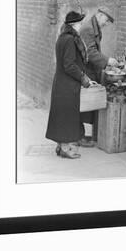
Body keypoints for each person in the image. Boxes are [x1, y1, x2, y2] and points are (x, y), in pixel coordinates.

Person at [45, 11, 94, 159]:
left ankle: (61, 146)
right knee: (67, 116)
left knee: (62, 115)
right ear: (74, 25)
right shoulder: (70, 40)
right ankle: (66, 148)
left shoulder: (63, 38)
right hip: (67, 85)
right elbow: (69, 65)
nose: (81, 26)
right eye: (79, 23)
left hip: (62, 83)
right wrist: (84, 78)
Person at [79, 7, 117, 147]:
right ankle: (79, 136)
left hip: (90, 69)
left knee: (88, 104)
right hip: (85, 69)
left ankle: (85, 135)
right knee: (84, 103)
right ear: (100, 15)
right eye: (106, 20)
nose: (106, 24)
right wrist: (107, 61)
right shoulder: (88, 29)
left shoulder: (93, 26)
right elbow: (90, 52)